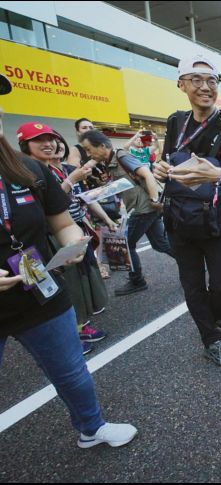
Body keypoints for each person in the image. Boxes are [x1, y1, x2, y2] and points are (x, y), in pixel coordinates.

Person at [0, 126, 138, 449]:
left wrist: (73, 242)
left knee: (72, 373)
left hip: (39, 291)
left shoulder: (26, 169)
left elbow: (62, 223)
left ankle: (92, 427)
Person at [153, 54, 221, 367]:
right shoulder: (174, 121)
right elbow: (168, 160)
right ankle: (211, 339)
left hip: (215, 220)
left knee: (220, 285)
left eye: (212, 81)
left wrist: (219, 175)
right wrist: (159, 168)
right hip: (178, 217)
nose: (205, 87)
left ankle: (217, 317)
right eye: (196, 80)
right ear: (181, 85)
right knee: (192, 284)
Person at [17, 123, 116, 350]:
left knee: (77, 281)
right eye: (39, 140)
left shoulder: (60, 170)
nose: (49, 144)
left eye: (52, 139)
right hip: (40, 241)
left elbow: (79, 202)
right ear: (24, 145)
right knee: (52, 292)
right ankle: (69, 336)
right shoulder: (24, 173)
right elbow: (42, 207)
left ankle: (78, 327)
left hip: (70, 231)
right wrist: (71, 181)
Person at [80, 129, 173, 297]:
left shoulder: (121, 156)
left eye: (88, 149)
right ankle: (192, 264)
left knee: (126, 245)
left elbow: (147, 175)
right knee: (161, 243)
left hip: (143, 208)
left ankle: (137, 280)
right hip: (143, 208)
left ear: (102, 146)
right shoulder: (111, 159)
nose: (88, 154)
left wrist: (153, 200)